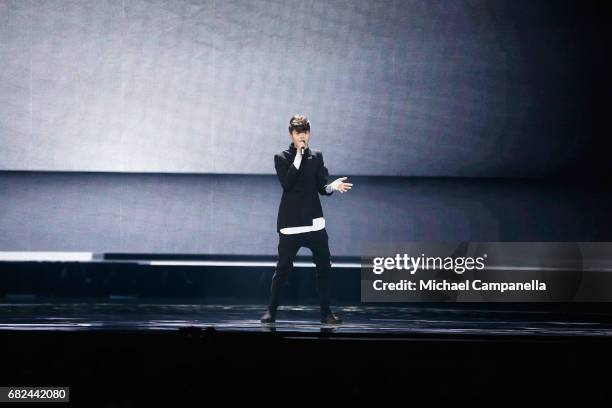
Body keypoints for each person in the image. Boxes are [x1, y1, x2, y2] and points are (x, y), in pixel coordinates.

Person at [260, 114, 353, 325]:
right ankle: (271, 311)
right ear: (291, 134)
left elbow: (321, 187)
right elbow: (287, 183)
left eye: (305, 132)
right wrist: (299, 156)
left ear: (309, 133)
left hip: (314, 224)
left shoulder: (317, 156)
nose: (302, 136)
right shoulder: (281, 157)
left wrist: (332, 186)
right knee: (282, 269)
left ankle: (326, 314)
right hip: (291, 225)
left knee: (324, 268)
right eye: (297, 132)